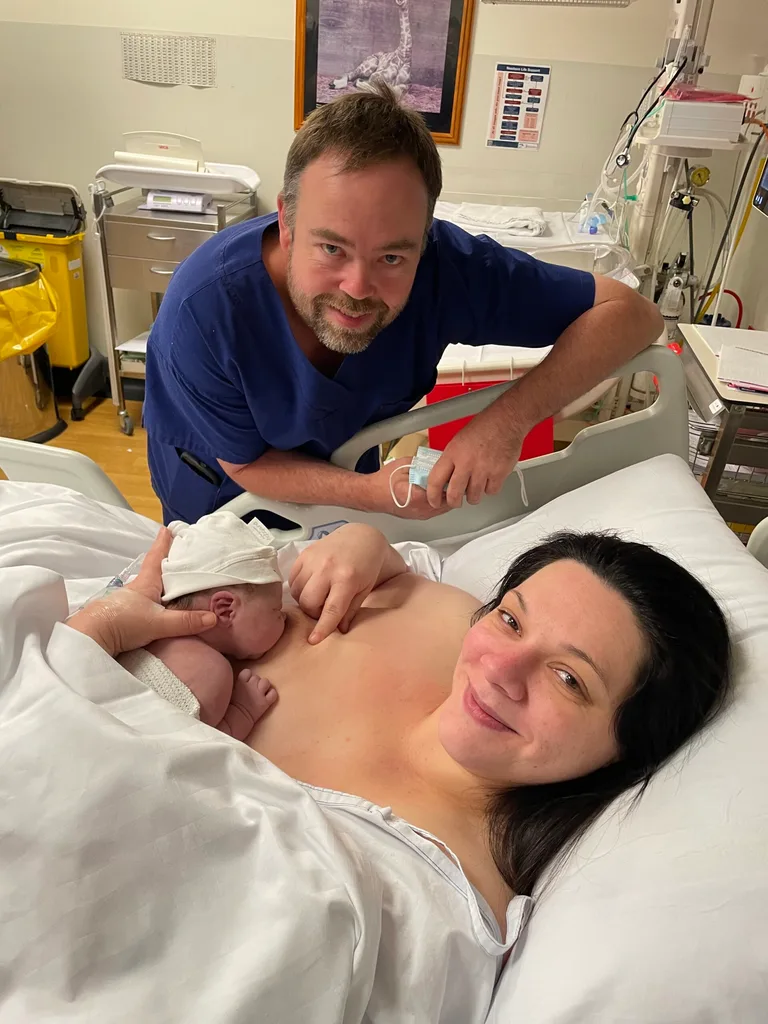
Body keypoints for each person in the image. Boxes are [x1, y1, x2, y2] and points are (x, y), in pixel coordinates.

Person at [69, 523, 730, 928]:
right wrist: (364, 541)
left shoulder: (411, 893)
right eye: (511, 618)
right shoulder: (450, 616)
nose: (498, 667)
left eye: (569, 679)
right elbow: (392, 559)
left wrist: (91, 637)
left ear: (626, 751)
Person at [143, 85, 663, 527]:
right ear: (286, 221)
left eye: (392, 255)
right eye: (331, 248)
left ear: (423, 237)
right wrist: (370, 491)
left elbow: (633, 314)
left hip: (347, 489)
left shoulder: (448, 269)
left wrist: (506, 420)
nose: (357, 287)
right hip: (220, 498)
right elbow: (247, 465)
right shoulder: (207, 309)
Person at [118, 512, 285, 739]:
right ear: (226, 609)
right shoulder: (210, 670)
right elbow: (197, 750)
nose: (284, 618)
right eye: (276, 610)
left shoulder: (136, 627)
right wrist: (244, 711)